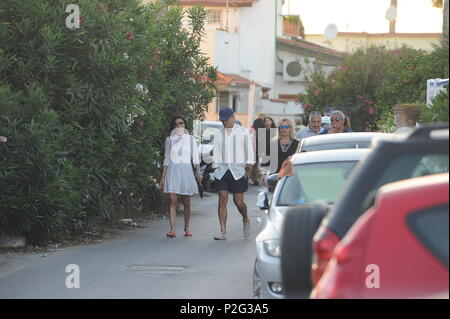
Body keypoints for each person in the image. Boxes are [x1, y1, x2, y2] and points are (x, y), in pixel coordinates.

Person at [213, 107, 255, 240]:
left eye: (226, 119)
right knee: (222, 199)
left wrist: (248, 165)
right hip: (222, 170)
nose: (224, 122)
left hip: (237, 170)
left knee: (238, 202)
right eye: (222, 120)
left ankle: (245, 218)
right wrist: (215, 166)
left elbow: (248, 149)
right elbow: (216, 151)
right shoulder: (218, 133)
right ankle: (223, 231)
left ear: (233, 117)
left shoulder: (242, 132)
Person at [160, 116, 203, 238]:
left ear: (185, 125)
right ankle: (172, 229)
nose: (179, 125)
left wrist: (198, 172)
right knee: (173, 200)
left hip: (186, 172)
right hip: (173, 172)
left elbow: (195, 157)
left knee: (186, 201)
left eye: (181, 123)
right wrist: (163, 177)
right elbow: (167, 158)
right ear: (173, 127)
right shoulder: (169, 140)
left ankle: (186, 227)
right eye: (176, 124)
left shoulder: (190, 139)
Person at [248, 118, 265, 186]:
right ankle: (253, 179)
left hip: (252, 150)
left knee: (250, 166)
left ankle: (250, 179)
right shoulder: (259, 131)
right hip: (256, 150)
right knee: (254, 166)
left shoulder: (251, 130)